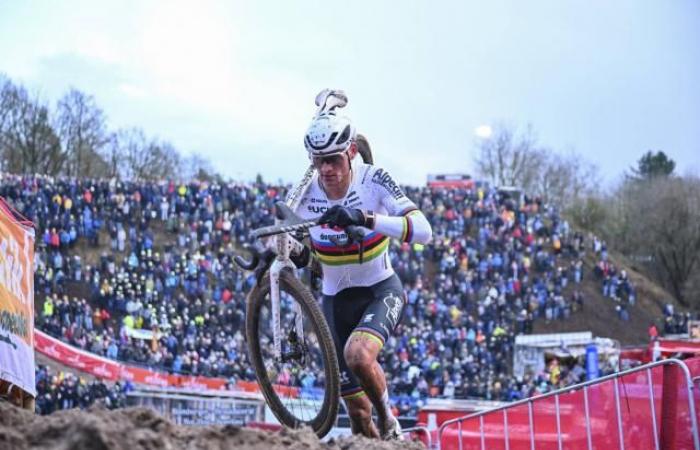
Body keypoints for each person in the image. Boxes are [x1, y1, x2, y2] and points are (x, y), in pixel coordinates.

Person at [295, 100, 432, 439]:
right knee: (357, 415)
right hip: (333, 303)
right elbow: (281, 235)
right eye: (318, 161)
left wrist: (365, 218)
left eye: (333, 160)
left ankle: (389, 421)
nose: (326, 170)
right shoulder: (304, 191)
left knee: (358, 355)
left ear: (352, 152)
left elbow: (424, 231)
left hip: (379, 290)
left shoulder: (374, 180)